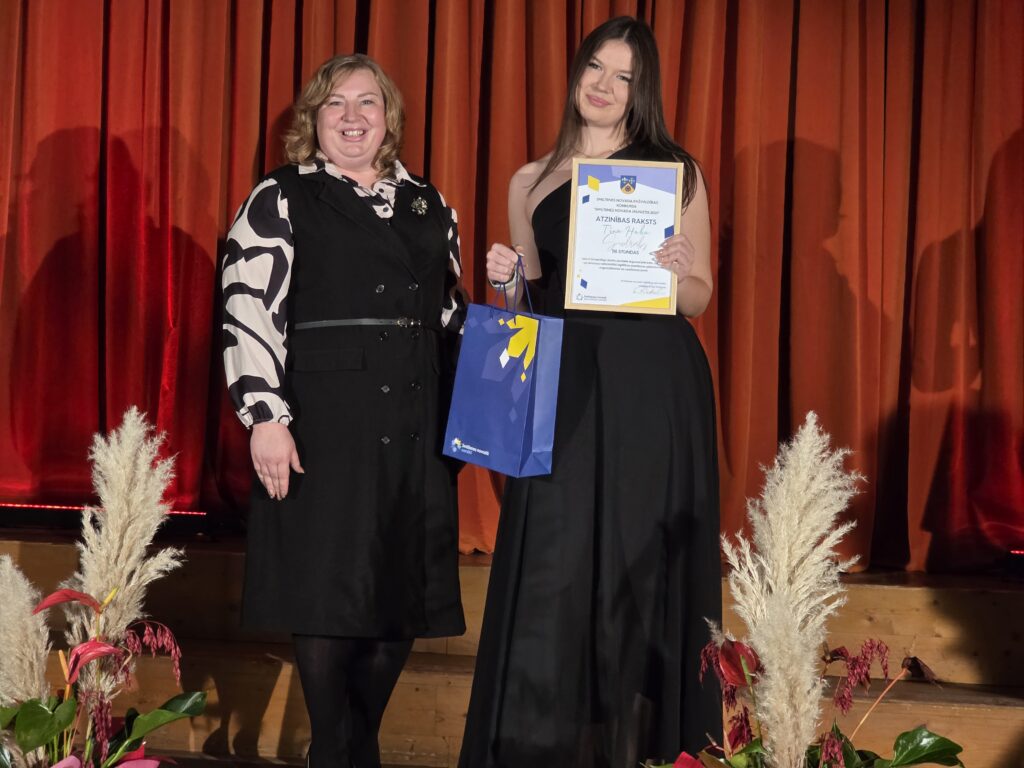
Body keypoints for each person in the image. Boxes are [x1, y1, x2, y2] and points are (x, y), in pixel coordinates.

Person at [459, 17, 721, 767]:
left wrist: (680, 268)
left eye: (624, 77)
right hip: (566, 388)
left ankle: (640, 752)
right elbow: (529, 305)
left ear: (643, 92)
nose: (605, 86)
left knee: (641, 564)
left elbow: (699, 298)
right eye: (596, 69)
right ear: (577, 73)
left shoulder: (674, 172)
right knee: (557, 565)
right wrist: (508, 279)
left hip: (651, 389)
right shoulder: (529, 179)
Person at [221, 53, 466, 768]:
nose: (353, 117)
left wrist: (509, 298)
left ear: (389, 117)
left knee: (401, 594)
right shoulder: (282, 195)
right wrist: (265, 416)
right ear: (314, 118)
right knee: (326, 591)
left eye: (367, 102)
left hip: (416, 424)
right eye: (336, 103)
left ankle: (360, 740)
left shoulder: (428, 202)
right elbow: (247, 307)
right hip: (324, 422)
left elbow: (449, 314)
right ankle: (334, 746)